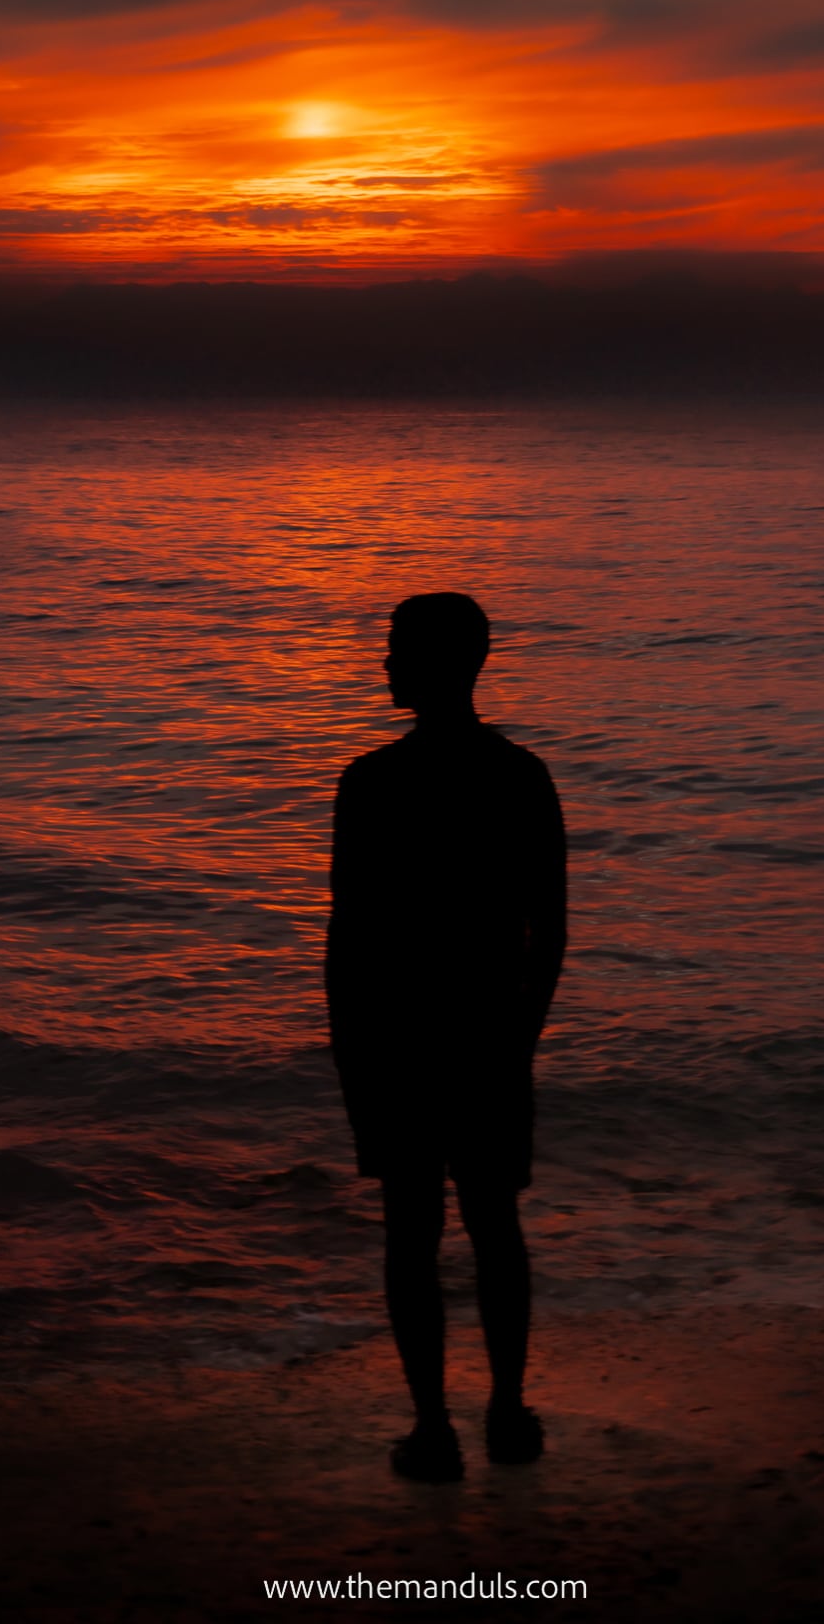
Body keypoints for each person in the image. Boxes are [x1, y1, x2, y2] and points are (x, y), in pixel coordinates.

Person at [324, 593, 567, 1482]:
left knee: (412, 1232)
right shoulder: (522, 775)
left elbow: (348, 944)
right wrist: (521, 1039)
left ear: (433, 664)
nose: (384, 664)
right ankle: (506, 1410)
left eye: (395, 650)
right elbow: (551, 936)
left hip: (402, 1044)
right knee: (494, 1226)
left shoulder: (372, 784)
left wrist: (352, 1055)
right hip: (488, 1037)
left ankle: (435, 1426)